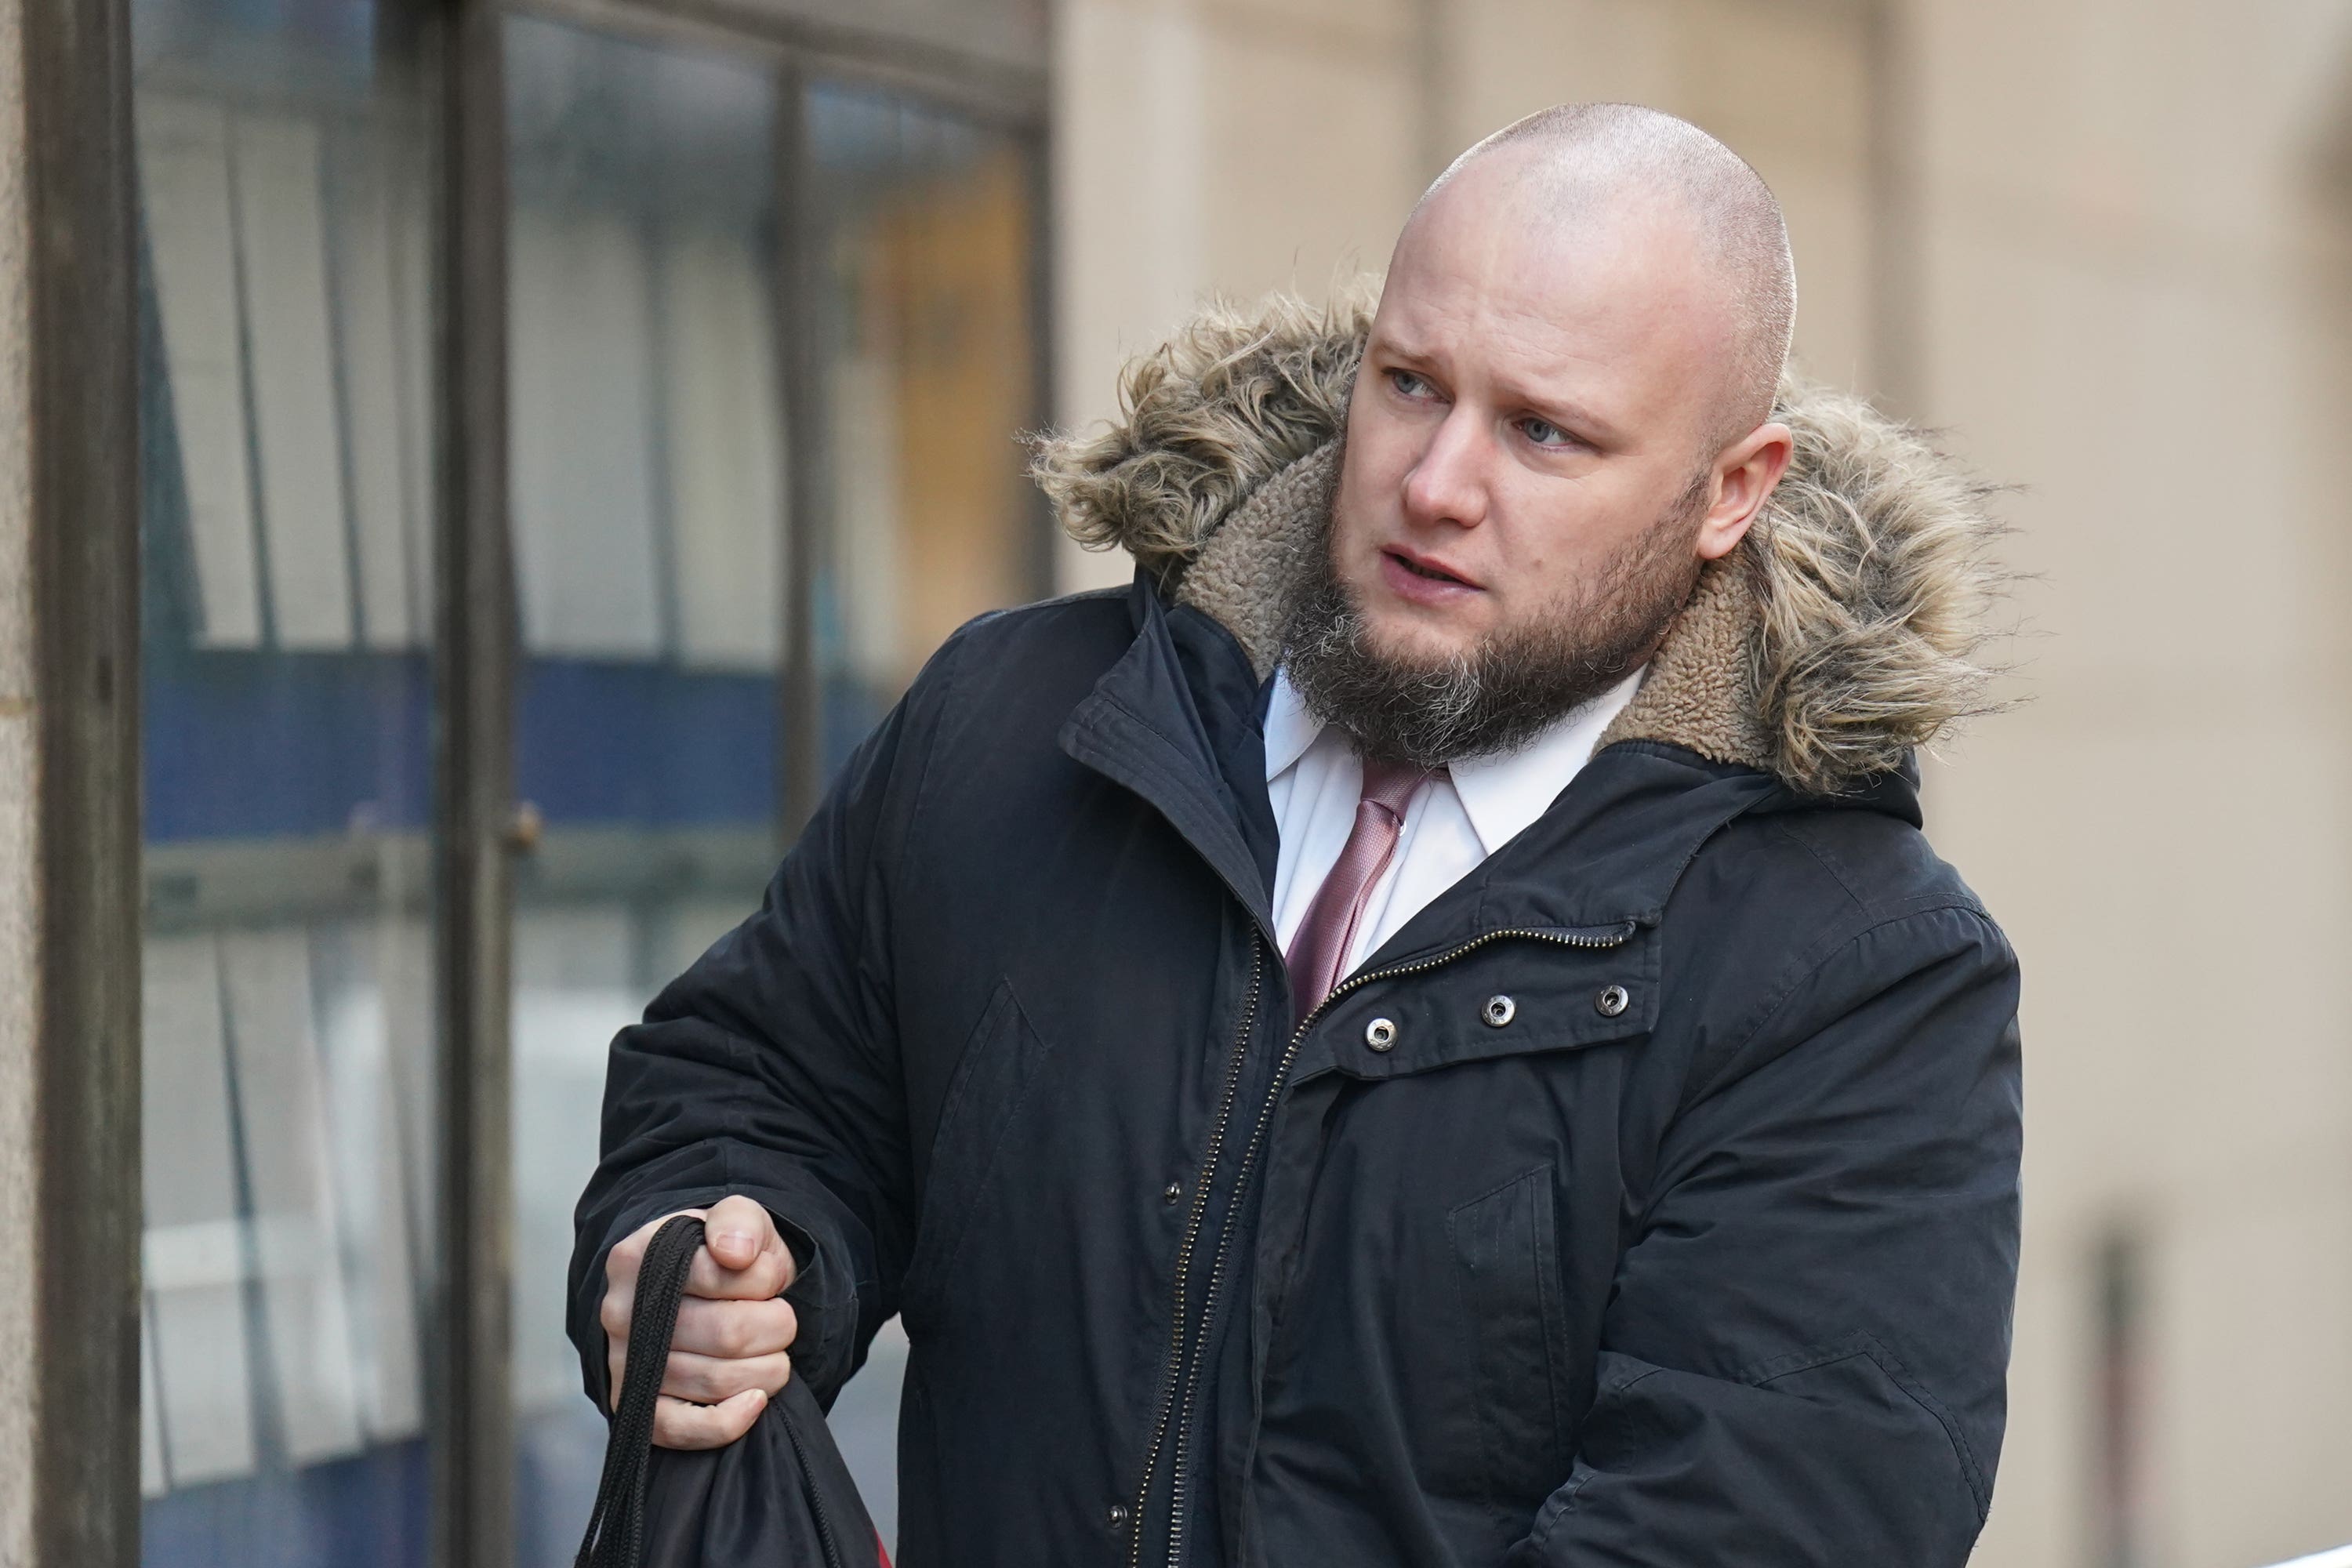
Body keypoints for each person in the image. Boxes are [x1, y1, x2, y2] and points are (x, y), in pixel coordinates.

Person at [571, 102, 2023, 1567]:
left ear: (1730, 492)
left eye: (1543, 432)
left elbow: (1756, 1520)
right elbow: (759, 1081)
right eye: (1410, 384)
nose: (1436, 485)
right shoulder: (1019, 719)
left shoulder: (1859, 972)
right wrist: (718, 1261)